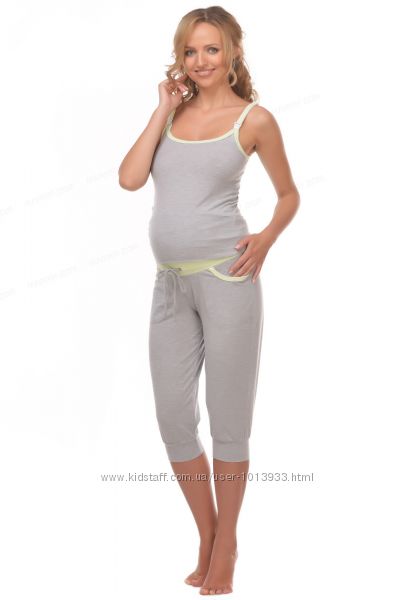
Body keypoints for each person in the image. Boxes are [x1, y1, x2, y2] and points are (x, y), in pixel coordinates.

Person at [118, 6, 300, 595]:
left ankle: (227, 546)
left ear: (233, 52)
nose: (200, 61)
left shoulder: (254, 119)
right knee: (174, 419)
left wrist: (266, 238)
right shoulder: (171, 115)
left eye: (212, 50)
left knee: (228, 421)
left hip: (228, 280)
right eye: (190, 51)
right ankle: (208, 533)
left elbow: (289, 195)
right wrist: (161, 108)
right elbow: (129, 179)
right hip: (170, 285)